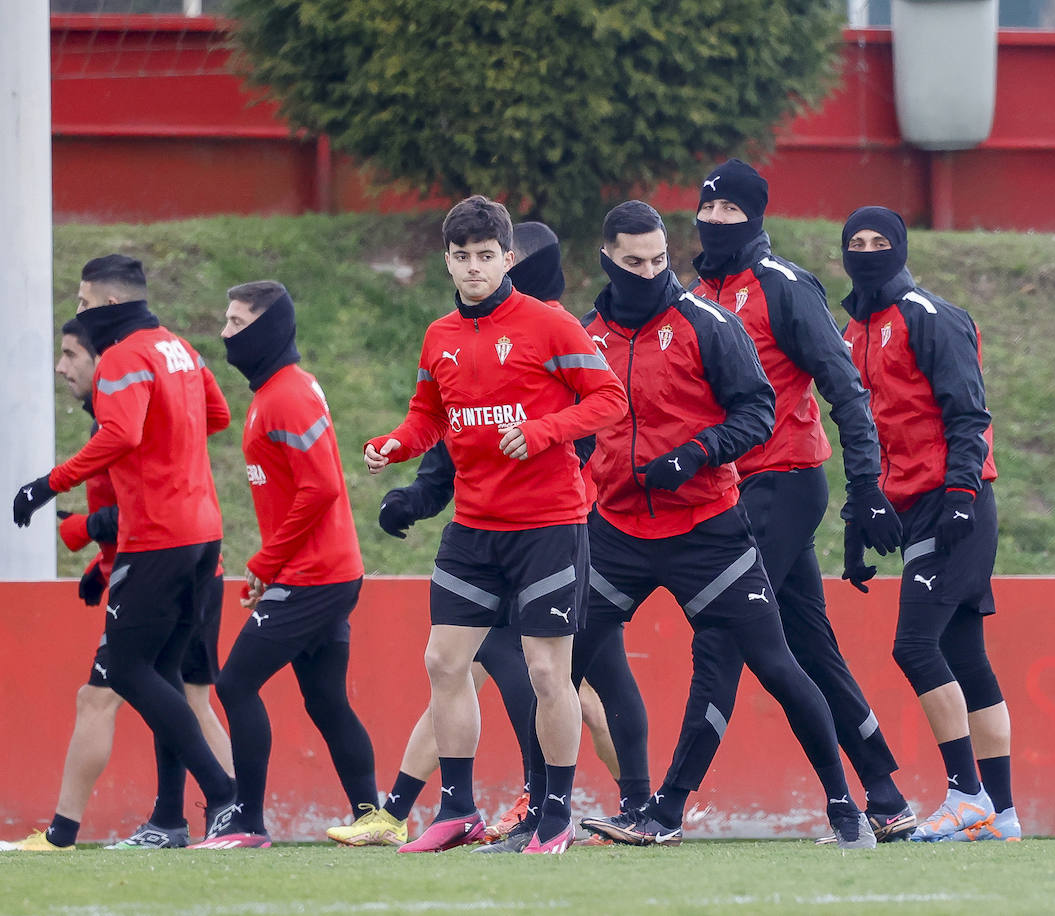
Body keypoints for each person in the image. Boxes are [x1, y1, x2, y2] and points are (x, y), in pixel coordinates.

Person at [594, 158, 913, 844]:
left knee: (723, 641)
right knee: (804, 645)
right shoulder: (680, 297)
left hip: (781, 481)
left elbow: (845, 389)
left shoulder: (786, 288)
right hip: (723, 488)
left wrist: (865, 489)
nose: (714, 223)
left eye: (730, 214)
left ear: (757, 218)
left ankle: (667, 808)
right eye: (705, 213)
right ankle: (884, 794)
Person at [327, 223, 633, 850]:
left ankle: (554, 816)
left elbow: (610, 399)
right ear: (447, 260)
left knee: (550, 674)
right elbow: (429, 417)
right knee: (442, 661)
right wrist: (394, 445)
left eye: (485, 256)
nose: (473, 268)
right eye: (462, 257)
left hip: (547, 525)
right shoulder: (439, 334)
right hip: (473, 528)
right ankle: (458, 809)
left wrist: (546, 431)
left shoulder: (549, 325)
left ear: (507, 258)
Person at [11, 254, 238, 843]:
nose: (79, 313)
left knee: (130, 672)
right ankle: (170, 818)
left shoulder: (121, 358)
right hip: (203, 532)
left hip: (158, 534)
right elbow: (217, 414)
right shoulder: (180, 348)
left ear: (109, 304)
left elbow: (120, 435)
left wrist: (45, 486)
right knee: (162, 672)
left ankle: (223, 794)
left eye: (84, 303)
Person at [837, 206, 1019, 842]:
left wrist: (963, 494)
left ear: (902, 248)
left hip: (952, 502)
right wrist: (859, 522)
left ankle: (966, 793)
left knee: (914, 647)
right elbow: (874, 433)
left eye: (878, 242)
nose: (866, 251)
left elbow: (968, 413)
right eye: (855, 243)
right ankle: (1001, 814)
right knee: (966, 656)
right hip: (910, 503)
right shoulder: (857, 327)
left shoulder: (930, 316)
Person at [187, 280, 379, 849]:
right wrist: (270, 567)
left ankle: (247, 823)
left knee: (237, 683)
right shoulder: (279, 389)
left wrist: (267, 561)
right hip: (318, 572)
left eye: (236, 321)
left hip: (315, 576)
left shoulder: (287, 395)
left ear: (267, 328)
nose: (225, 333)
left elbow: (320, 488)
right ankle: (371, 815)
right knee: (324, 699)